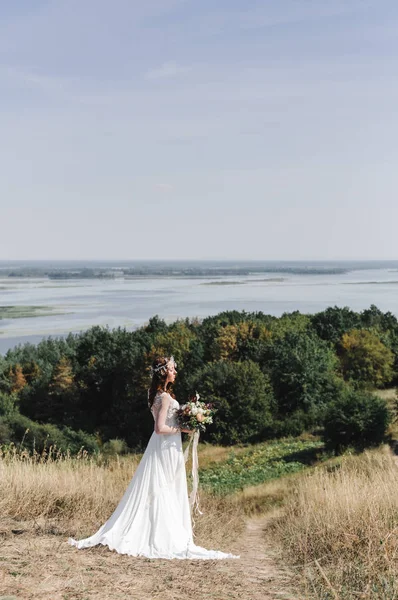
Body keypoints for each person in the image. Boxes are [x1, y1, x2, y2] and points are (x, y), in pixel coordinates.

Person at [69, 355, 239, 560]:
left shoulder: (155, 394)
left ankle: (158, 528)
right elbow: (160, 428)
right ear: (164, 373)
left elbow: (165, 424)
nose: (175, 372)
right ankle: (163, 534)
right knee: (164, 486)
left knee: (162, 486)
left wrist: (187, 426)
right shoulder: (165, 397)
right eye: (172, 369)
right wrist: (181, 428)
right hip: (166, 447)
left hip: (165, 446)